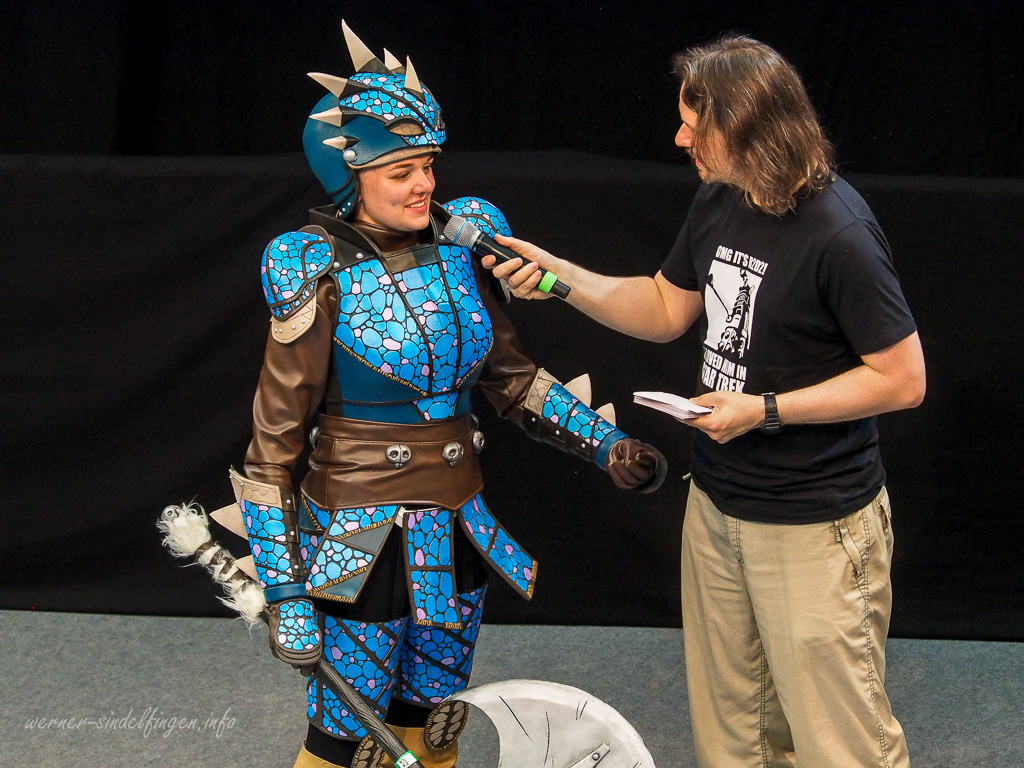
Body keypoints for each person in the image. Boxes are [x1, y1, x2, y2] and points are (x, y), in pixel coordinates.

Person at [231, 22, 665, 768]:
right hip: (354, 539)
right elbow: (272, 450)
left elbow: (512, 379)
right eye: (400, 170)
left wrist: (606, 444)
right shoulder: (314, 268)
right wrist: (286, 589)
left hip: (459, 526)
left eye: (427, 164)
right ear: (350, 174)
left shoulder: (464, 246)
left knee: (433, 723)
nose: (423, 184)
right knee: (345, 740)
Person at [484, 34, 924, 768]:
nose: (679, 138)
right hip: (718, 507)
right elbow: (665, 307)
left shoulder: (838, 232)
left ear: (748, 128)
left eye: (695, 125)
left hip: (812, 523)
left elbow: (902, 380)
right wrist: (558, 276)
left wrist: (764, 410)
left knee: (839, 742)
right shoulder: (721, 198)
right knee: (735, 731)